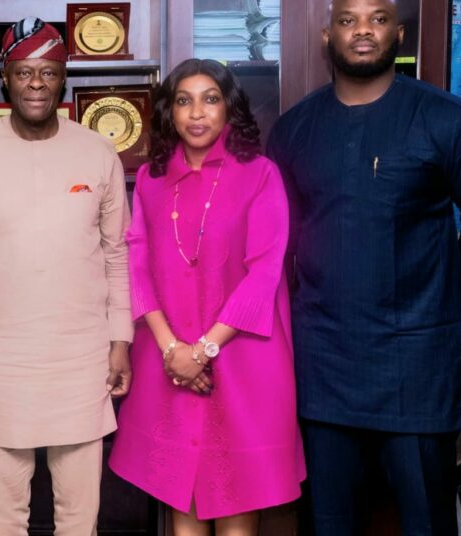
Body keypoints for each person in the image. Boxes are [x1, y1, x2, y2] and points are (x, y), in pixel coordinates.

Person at [267, 0, 461, 534]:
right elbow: (276, 239)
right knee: (329, 522)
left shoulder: (452, 121)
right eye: (348, 19)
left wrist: (435, 294)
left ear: (397, 34)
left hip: (418, 368)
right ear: (325, 36)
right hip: (324, 366)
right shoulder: (293, 130)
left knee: (424, 520)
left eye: (377, 19)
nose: (363, 31)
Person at [0, 17, 134, 535]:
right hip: (3, 359)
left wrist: (121, 340)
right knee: (5, 511)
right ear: (6, 77)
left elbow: (118, 256)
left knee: (78, 512)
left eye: (48, 73)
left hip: (81, 356)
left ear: (63, 77)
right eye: (24, 73)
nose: (36, 84)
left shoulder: (98, 152)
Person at [109, 58, 305, 535]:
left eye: (210, 99)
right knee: (183, 501)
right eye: (184, 100)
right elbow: (136, 266)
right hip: (168, 359)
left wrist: (202, 351)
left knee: (239, 504)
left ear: (228, 108)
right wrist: (172, 349)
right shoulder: (153, 182)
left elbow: (264, 273)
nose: (197, 113)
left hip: (244, 360)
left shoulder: (260, 175)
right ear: (169, 112)